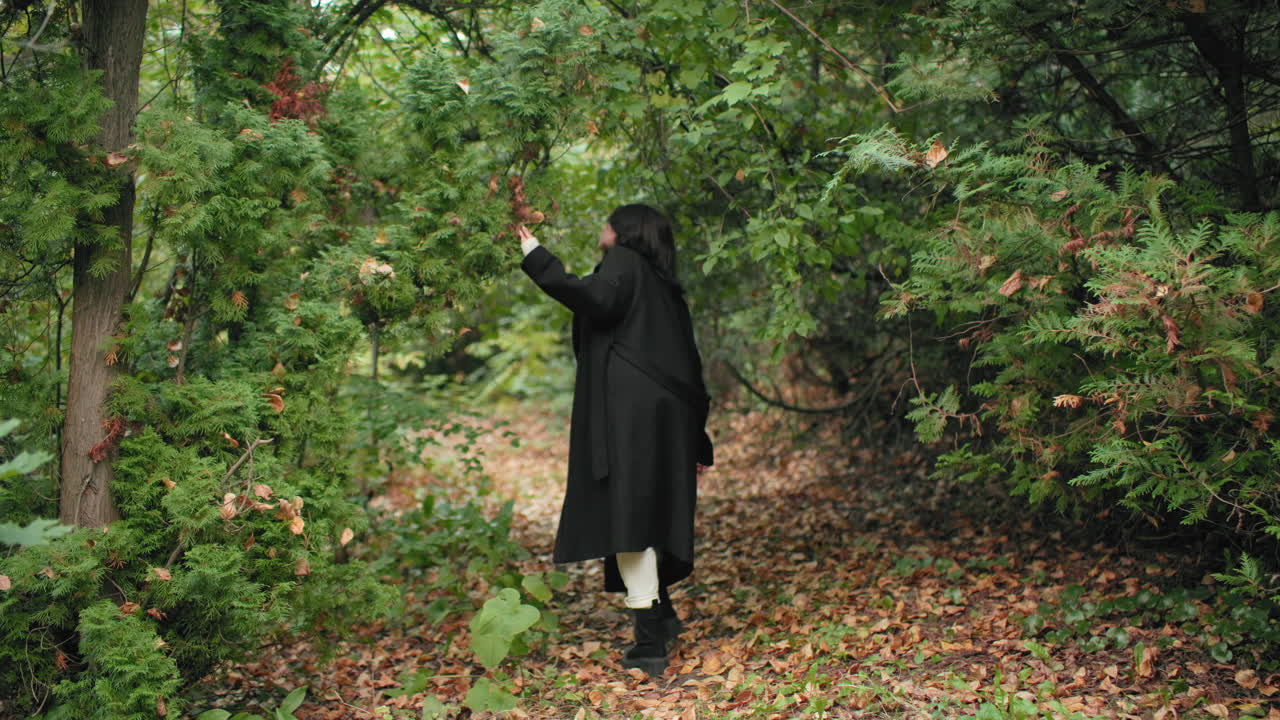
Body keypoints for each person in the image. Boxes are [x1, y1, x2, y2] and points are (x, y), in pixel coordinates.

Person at [516, 204, 713, 676]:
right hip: (662, 416)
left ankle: (649, 646)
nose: (602, 229)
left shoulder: (624, 263)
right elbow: (688, 362)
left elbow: (593, 300)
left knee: (629, 519)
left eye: (608, 223)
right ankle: (661, 618)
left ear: (626, 232)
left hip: (630, 416)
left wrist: (534, 254)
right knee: (643, 514)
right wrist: (695, 436)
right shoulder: (662, 284)